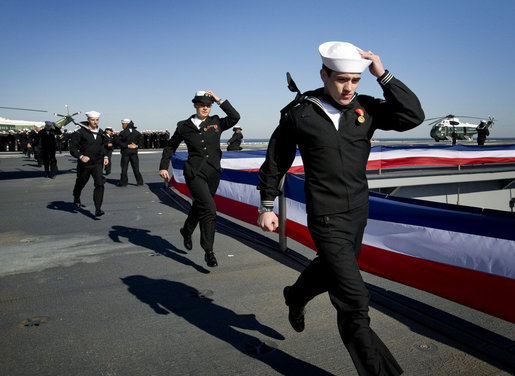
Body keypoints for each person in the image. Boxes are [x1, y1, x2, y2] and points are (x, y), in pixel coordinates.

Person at [257, 41, 424, 375]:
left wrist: (382, 73)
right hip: (325, 216)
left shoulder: (366, 109)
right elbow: (276, 160)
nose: (349, 87)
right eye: (341, 80)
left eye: (355, 80)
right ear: (324, 74)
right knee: (354, 302)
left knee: (331, 269)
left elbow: (412, 116)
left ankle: (295, 295)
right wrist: (267, 205)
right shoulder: (299, 113)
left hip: (358, 213)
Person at [159, 90, 240, 267]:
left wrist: (219, 99)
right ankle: (208, 251)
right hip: (194, 172)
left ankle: (186, 230)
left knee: (200, 204)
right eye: (202, 105)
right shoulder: (183, 126)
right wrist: (163, 166)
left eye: (208, 105)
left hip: (213, 172)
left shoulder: (216, 122)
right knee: (209, 208)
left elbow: (235, 117)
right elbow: (171, 146)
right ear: (195, 105)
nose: (205, 108)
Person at [69, 111, 109, 217]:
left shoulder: (101, 133)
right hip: (84, 164)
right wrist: (81, 156)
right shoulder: (81, 132)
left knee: (100, 184)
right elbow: (72, 148)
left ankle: (98, 209)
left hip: (97, 163)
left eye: (97, 120)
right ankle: (76, 196)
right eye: (93, 120)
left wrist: (105, 156)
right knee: (81, 182)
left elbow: (103, 146)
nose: (95, 122)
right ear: (88, 120)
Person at [117, 119, 144, 186]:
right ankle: (139, 182)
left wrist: (128, 145)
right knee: (136, 168)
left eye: (123, 124)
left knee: (124, 168)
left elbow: (119, 143)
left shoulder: (122, 133)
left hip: (125, 152)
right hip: (134, 152)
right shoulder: (137, 133)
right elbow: (142, 142)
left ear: (126, 124)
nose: (122, 126)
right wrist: (136, 146)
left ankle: (123, 182)